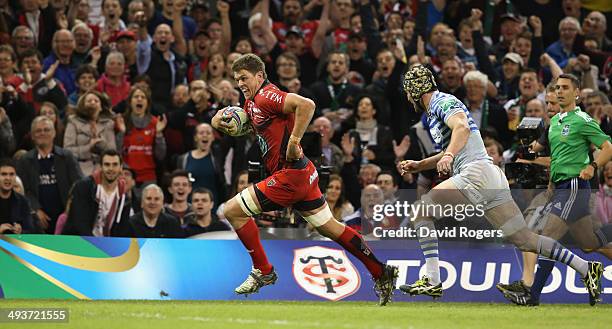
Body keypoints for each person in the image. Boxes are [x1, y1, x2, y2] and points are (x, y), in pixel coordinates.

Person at [396, 65, 603, 305]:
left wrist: (448, 157)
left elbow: (462, 128)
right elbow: (456, 140)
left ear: (413, 91)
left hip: (475, 173)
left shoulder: (441, 102)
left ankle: (432, 279)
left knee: (423, 211)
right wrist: (420, 165)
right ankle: (586, 268)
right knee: (524, 239)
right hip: (489, 176)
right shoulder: (437, 109)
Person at [211, 54, 398, 305]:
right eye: (237, 80)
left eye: (244, 78)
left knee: (232, 211)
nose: (240, 83)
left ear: (259, 75)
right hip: (303, 173)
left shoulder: (267, 95)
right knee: (330, 227)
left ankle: (263, 270)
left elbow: (307, 105)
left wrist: (295, 140)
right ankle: (381, 272)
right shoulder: (252, 102)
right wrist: (217, 121)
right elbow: (245, 125)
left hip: (290, 176)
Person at [496, 74, 612, 306]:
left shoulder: (582, 120)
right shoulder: (554, 124)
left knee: (546, 237)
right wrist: (526, 151)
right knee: (588, 243)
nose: (559, 91)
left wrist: (593, 165)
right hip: (560, 186)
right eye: (557, 87)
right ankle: (590, 270)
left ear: (577, 93)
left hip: (574, 186)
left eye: (565, 88)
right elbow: (539, 152)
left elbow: (608, 146)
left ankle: (532, 296)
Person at [17, 116, 83, 234]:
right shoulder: (24, 160)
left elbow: (78, 185)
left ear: (54, 133)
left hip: (66, 217)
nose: (42, 133)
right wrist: (35, 209)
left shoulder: (67, 157)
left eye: (46, 130)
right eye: (38, 131)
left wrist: (68, 211)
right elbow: (23, 190)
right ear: (32, 136)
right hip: (37, 221)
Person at [61, 149, 132, 236]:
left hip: (108, 244)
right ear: (101, 167)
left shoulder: (124, 198)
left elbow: (122, 230)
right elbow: (79, 222)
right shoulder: (84, 187)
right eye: (107, 164)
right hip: (81, 242)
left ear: (121, 168)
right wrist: (93, 245)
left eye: (115, 165)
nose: (111, 169)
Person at [0, 159, 35, 234]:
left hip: (14, 244)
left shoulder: (23, 201)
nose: (8, 178)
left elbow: (30, 230)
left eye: (11, 174)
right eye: (4, 174)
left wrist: (21, 231)